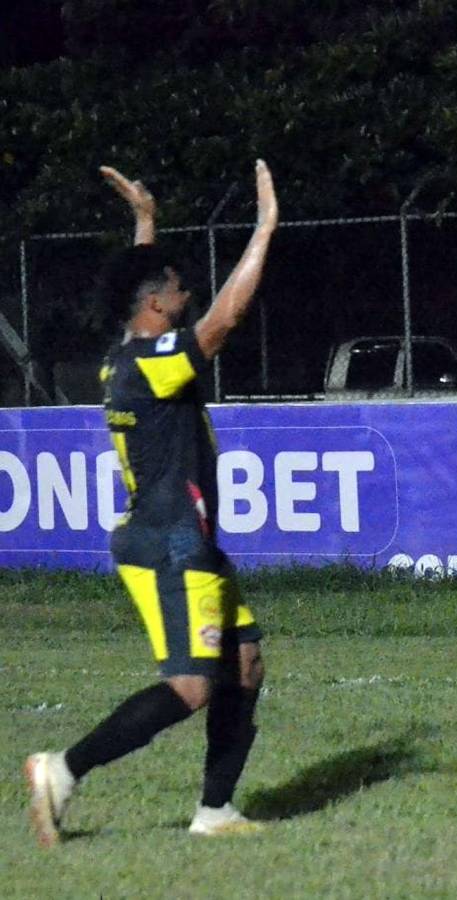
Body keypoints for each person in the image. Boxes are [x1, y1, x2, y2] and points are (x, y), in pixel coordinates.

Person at [24, 159, 279, 845]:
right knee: (193, 687)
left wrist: (145, 220)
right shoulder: (150, 364)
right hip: (168, 543)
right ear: (159, 307)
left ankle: (215, 810)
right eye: (176, 286)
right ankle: (62, 770)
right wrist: (263, 228)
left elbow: (142, 288)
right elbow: (227, 317)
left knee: (245, 662)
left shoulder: (127, 352)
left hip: (185, 539)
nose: (186, 289)